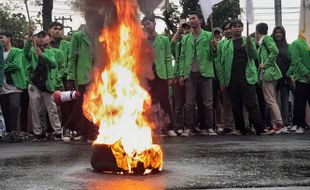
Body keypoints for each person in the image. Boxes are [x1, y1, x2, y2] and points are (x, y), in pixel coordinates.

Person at [219, 20, 264, 135]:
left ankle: (259, 128)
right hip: (232, 78)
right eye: (234, 27)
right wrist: (223, 81)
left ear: (243, 28)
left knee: (251, 103)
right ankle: (240, 128)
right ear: (231, 29)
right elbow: (222, 63)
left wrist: (249, 45)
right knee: (236, 104)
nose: (237, 28)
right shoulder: (226, 44)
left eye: (239, 26)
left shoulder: (248, 40)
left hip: (247, 77)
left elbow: (254, 56)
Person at [65, 10, 104, 141]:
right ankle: (69, 127)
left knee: (94, 103)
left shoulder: (101, 34)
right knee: (83, 103)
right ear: (87, 20)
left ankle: (87, 132)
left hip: (98, 76)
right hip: (83, 75)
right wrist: (70, 77)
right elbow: (72, 58)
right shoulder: (78, 36)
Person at [179, 11, 217, 136]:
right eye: (190, 19)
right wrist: (181, 74)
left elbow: (214, 56)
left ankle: (209, 127)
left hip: (205, 73)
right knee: (189, 104)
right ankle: (189, 128)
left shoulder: (209, 35)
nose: (191, 20)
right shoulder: (185, 38)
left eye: (193, 18)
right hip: (190, 74)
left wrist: (214, 47)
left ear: (200, 20)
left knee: (208, 103)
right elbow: (182, 57)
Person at [24, 28, 62, 142]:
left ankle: (58, 132)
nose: (40, 39)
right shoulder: (31, 51)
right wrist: (29, 38)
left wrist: (42, 55)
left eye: (42, 36)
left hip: (47, 83)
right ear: (34, 38)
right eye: (38, 36)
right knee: (35, 109)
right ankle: (38, 133)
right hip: (34, 83)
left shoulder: (49, 51)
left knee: (52, 108)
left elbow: (53, 64)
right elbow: (25, 52)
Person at [141, 15, 174, 136]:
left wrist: (170, 76)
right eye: (144, 24)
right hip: (147, 75)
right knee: (149, 102)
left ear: (154, 23)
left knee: (164, 101)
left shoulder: (164, 39)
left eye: (148, 23)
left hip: (161, 74)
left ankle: (169, 127)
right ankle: (151, 128)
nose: (146, 26)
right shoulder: (141, 40)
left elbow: (168, 59)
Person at [256, 23, 286, 134]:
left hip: (269, 73)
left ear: (257, 31)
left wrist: (266, 64)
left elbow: (275, 51)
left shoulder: (266, 39)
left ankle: (279, 123)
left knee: (270, 99)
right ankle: (275, 124)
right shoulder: (263, 41)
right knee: (272, 98)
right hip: (269, 73)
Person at [0, 31, 24, 142]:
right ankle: (9, 132)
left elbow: (16, 65)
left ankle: (15, 131)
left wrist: (2, 67)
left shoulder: (17, 51)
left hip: (15, 86)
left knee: (14, 107)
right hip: (2, 86)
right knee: (5, 109)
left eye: (2, 37)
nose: (0, 40)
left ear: (9, 38)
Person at [214, 21, 237, 135]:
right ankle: (227, 125)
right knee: (226, 103)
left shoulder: (241, 41)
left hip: (240, 78)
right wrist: (222, 80)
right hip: (226, 78)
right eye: (225, 29)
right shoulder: (221, 44)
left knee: (240, 103)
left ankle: (244, 125)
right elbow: (218, 62)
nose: (227, 31)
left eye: (229, 28)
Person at [287, 34, 310, 134]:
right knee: (300, 102)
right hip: (302, 78)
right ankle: (299, 124)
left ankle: (299, 124)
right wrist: (307, 73)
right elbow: (296, 61)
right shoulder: (296, 43)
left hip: (305, 77)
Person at [271, 26, 292, 131]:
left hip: (284, 78)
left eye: (280, 32)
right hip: (272, 77)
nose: (278, 34)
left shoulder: (288, 47)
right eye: (276, 32)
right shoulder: (270, 46)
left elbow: (292, 61)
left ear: (283, 34)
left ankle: (285, 122)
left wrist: (288, 74)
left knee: (284, 101)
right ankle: (274, 122)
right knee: (273, 101)